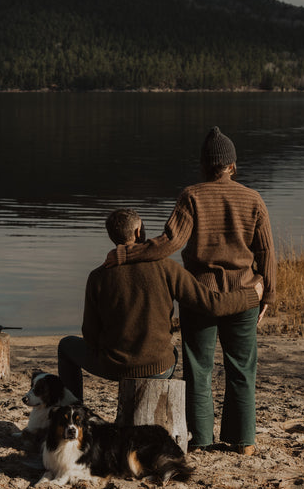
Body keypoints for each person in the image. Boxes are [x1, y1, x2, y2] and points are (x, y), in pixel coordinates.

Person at [106, 127, 275, 455]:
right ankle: (243, 443)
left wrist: (126, 253)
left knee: (199, 368)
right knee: (241, 368)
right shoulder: (253, 199)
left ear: (202, 166)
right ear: (232, 166)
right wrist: (267, 295)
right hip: (244, 296)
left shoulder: (191, 196)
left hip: (200, 296)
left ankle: (200, 438)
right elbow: (267, 252)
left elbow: (169, 243)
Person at [58, 207, 262, 404]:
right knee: (171, 353)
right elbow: (211, 304)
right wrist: (253, 296)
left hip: (113, 368)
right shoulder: (166, 267)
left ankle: (72, 411)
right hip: (157, 369)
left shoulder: (98, 276)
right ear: (139, 232)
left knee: (66, 345)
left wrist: (106, 351)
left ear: (112, 236)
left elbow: (90, 332)